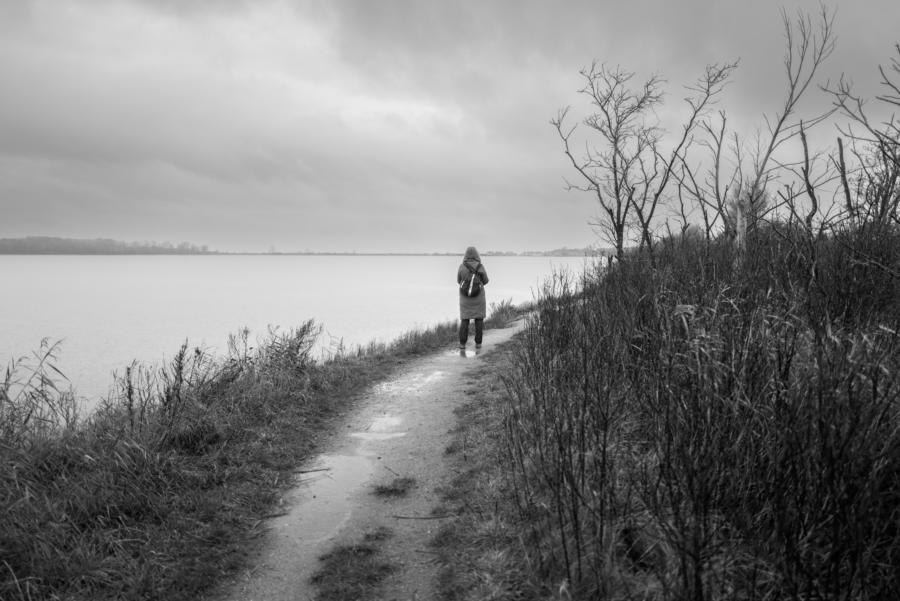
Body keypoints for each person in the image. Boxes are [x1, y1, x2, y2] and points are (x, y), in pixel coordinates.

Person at [457, 246, 489, 352]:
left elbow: (458, 281)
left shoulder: (462, 267)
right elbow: (486, 281)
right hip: (478, 298)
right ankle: (478, 344)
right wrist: (477, 284)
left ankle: (462, 344)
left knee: (464, 320)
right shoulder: (480, 266)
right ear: (477, 255)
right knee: (479, 319)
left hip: (465, 298)